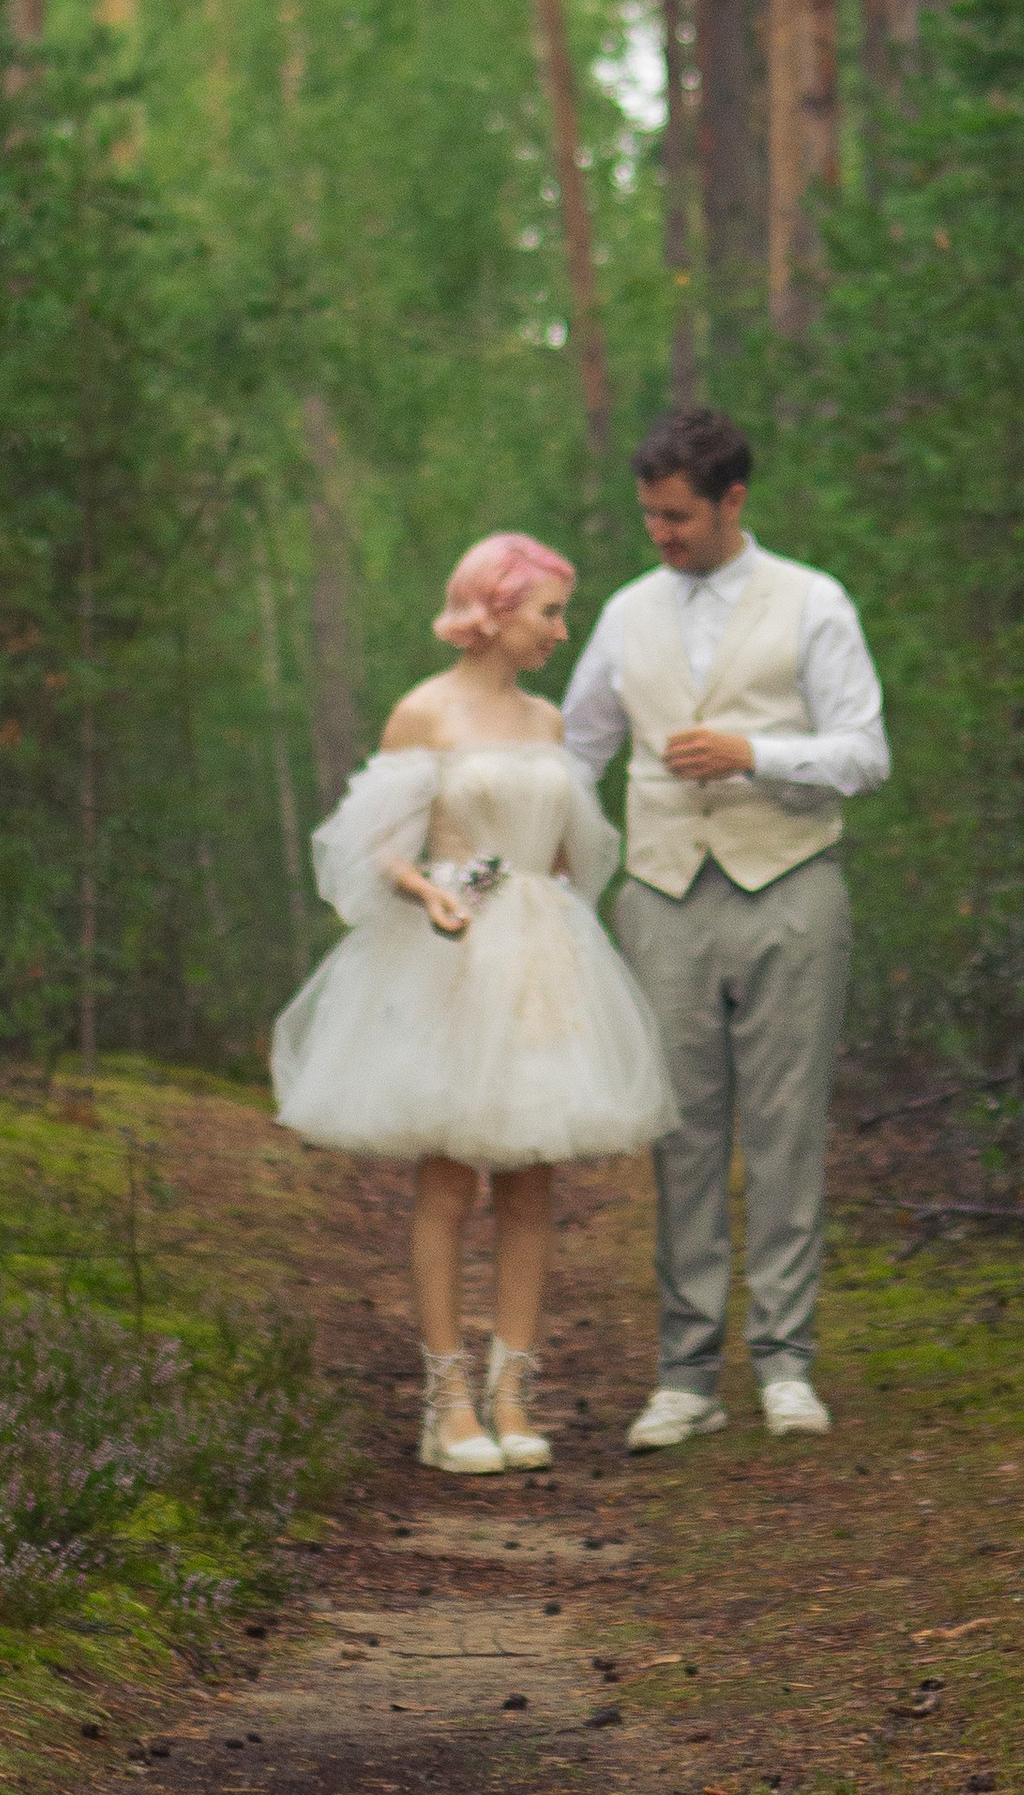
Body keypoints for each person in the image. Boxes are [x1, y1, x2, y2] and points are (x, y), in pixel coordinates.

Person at [270, 533, 676, 1479]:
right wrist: (428, 889)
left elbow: (572, 848)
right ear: (494, 611)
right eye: (548, 612)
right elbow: (372, 843)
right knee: (450, 1180)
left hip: (540, 951)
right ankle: (445, 1395)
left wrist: (549, 902)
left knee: (533, 1175)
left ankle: (513, 1388)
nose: (560, 632)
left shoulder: (545, 723)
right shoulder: (423, 711)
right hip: (451, 957)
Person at [562, 410, 889, 1449]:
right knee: (681, 1132)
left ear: (732, 501)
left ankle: (786, 1363)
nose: (659, 533)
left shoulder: (813, 601)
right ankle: (685, 1375)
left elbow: (865, 753)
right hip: (661, 892)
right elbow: (576, 752)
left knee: (787, 1129)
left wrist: (756, 751)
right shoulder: (623, 614)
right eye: (649, 514)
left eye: (677, 516)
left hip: (790, 882)